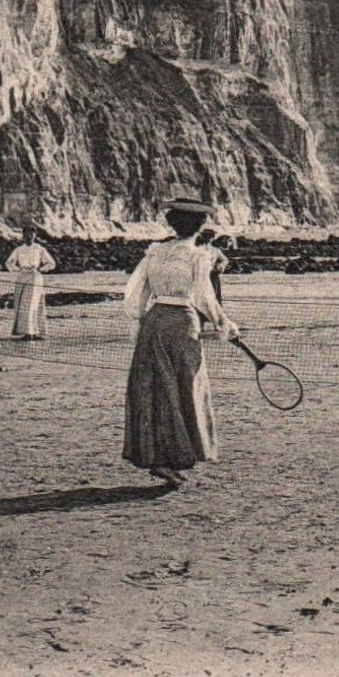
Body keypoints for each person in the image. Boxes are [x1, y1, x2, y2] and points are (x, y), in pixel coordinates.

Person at [123, 197, 239, 488]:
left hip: (154, 321)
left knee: (155, 389)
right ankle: (174, 458)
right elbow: (204, 296)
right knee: (186, 387)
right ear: (200, 227)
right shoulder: (198, 256)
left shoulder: (155, 252)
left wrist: (141, 321)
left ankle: (159, 458)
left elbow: (138, 294)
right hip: (182, 323)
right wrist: (224, 323)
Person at [5, 224, 56, 340]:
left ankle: (33, 332)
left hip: (35, 277)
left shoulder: (39, 249)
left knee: (33, 303)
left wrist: (40, 269)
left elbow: (51, 263)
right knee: (21, 303)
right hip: (22, 276)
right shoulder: (19, 249)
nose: (29, 236)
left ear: (35, 235)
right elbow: (9, 263)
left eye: (31, 234)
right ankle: (23, 331)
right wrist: (18, 269)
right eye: (27, 234)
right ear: (23, 236)